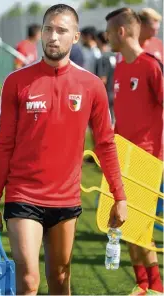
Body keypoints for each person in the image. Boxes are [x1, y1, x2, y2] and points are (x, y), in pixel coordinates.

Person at [0, 4, 127, 295]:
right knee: (28, 280)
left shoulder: (91, 86)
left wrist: (119, 195)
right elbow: (3, 144)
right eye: (48, 28)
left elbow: (105, 144)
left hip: (66, 199)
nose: (53, 36)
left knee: (60, 280)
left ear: (75, 37)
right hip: (23, 195)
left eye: (61, 30)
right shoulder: (16, 82)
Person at [106, 7, 163, 296]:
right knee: (125, 226)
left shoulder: (151, 65)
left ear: (121, 32)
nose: (105, 37)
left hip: (148, 158)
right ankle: (141, 283)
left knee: (142, 229)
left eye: (108, 32)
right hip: (122, 157)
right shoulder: (119, 66)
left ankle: (156, 287)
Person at [96, 31, 116, 125]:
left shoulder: (102, 58)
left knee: (106, 122)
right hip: (117, 91)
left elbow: (102, 79)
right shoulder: (115, 55)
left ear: (98, 41)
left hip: (107, 93)